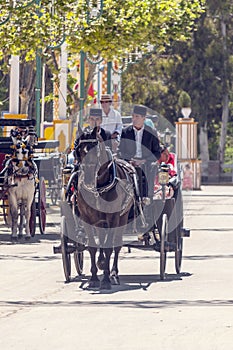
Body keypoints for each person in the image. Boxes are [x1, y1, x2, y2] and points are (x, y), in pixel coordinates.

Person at [119, 104, 161, 200]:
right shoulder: (125, 132)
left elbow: (157, 153)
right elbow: (120, 151)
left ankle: (147, 196)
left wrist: (143, 161)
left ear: (143, 118)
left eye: (137, 117)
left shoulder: (151, 132)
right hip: (129, 163)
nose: (134, 119)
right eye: (133, 116)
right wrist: (129, 161)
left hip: (146, 164)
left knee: (150, 170)